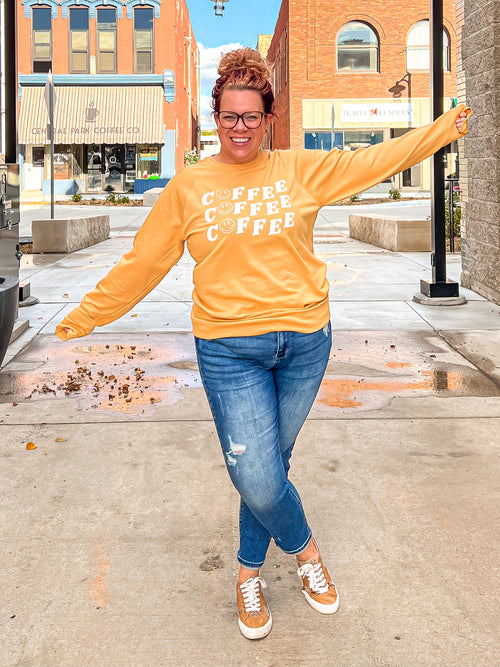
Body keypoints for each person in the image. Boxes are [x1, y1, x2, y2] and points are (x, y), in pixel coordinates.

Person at [56, 48, 470, 640]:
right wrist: (86, 316)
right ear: (215, 118)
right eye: (229, 116)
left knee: (272, 465)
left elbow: (375, 159)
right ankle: (306, 551)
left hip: (305, 341)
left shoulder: (299, 170)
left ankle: (248, 572)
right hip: (228, 349)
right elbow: (143, 262)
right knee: (255, 474)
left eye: (251, 116)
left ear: (268, 118)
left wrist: (442, 130)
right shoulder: (191, 186)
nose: (240, 127)